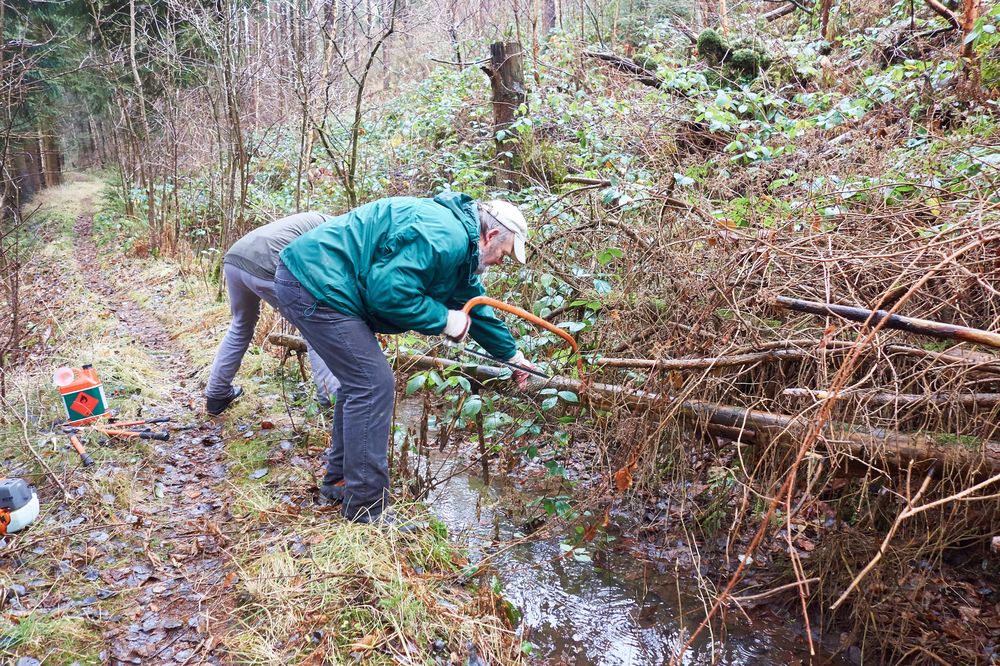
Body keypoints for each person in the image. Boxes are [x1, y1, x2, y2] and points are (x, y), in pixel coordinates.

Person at [275, 192, 540, 525]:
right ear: (489, 237)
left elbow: (478, 310)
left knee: (360, 383)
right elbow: (388, 293)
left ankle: (340, 481)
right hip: (316, 283)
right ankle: (367, 507)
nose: (501, 262)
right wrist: (444, 319)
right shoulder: (446, 236)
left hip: (316, 281)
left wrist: (514, 357)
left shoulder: (460, 248)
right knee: (373, 384)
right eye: (503, 254)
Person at [205, 212, 341, 416]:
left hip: (235, 259)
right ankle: (330, 402)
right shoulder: (338, 231)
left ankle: (216, 395)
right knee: (316, 328)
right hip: (267, 263)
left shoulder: (318, 220)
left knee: (241, 324)